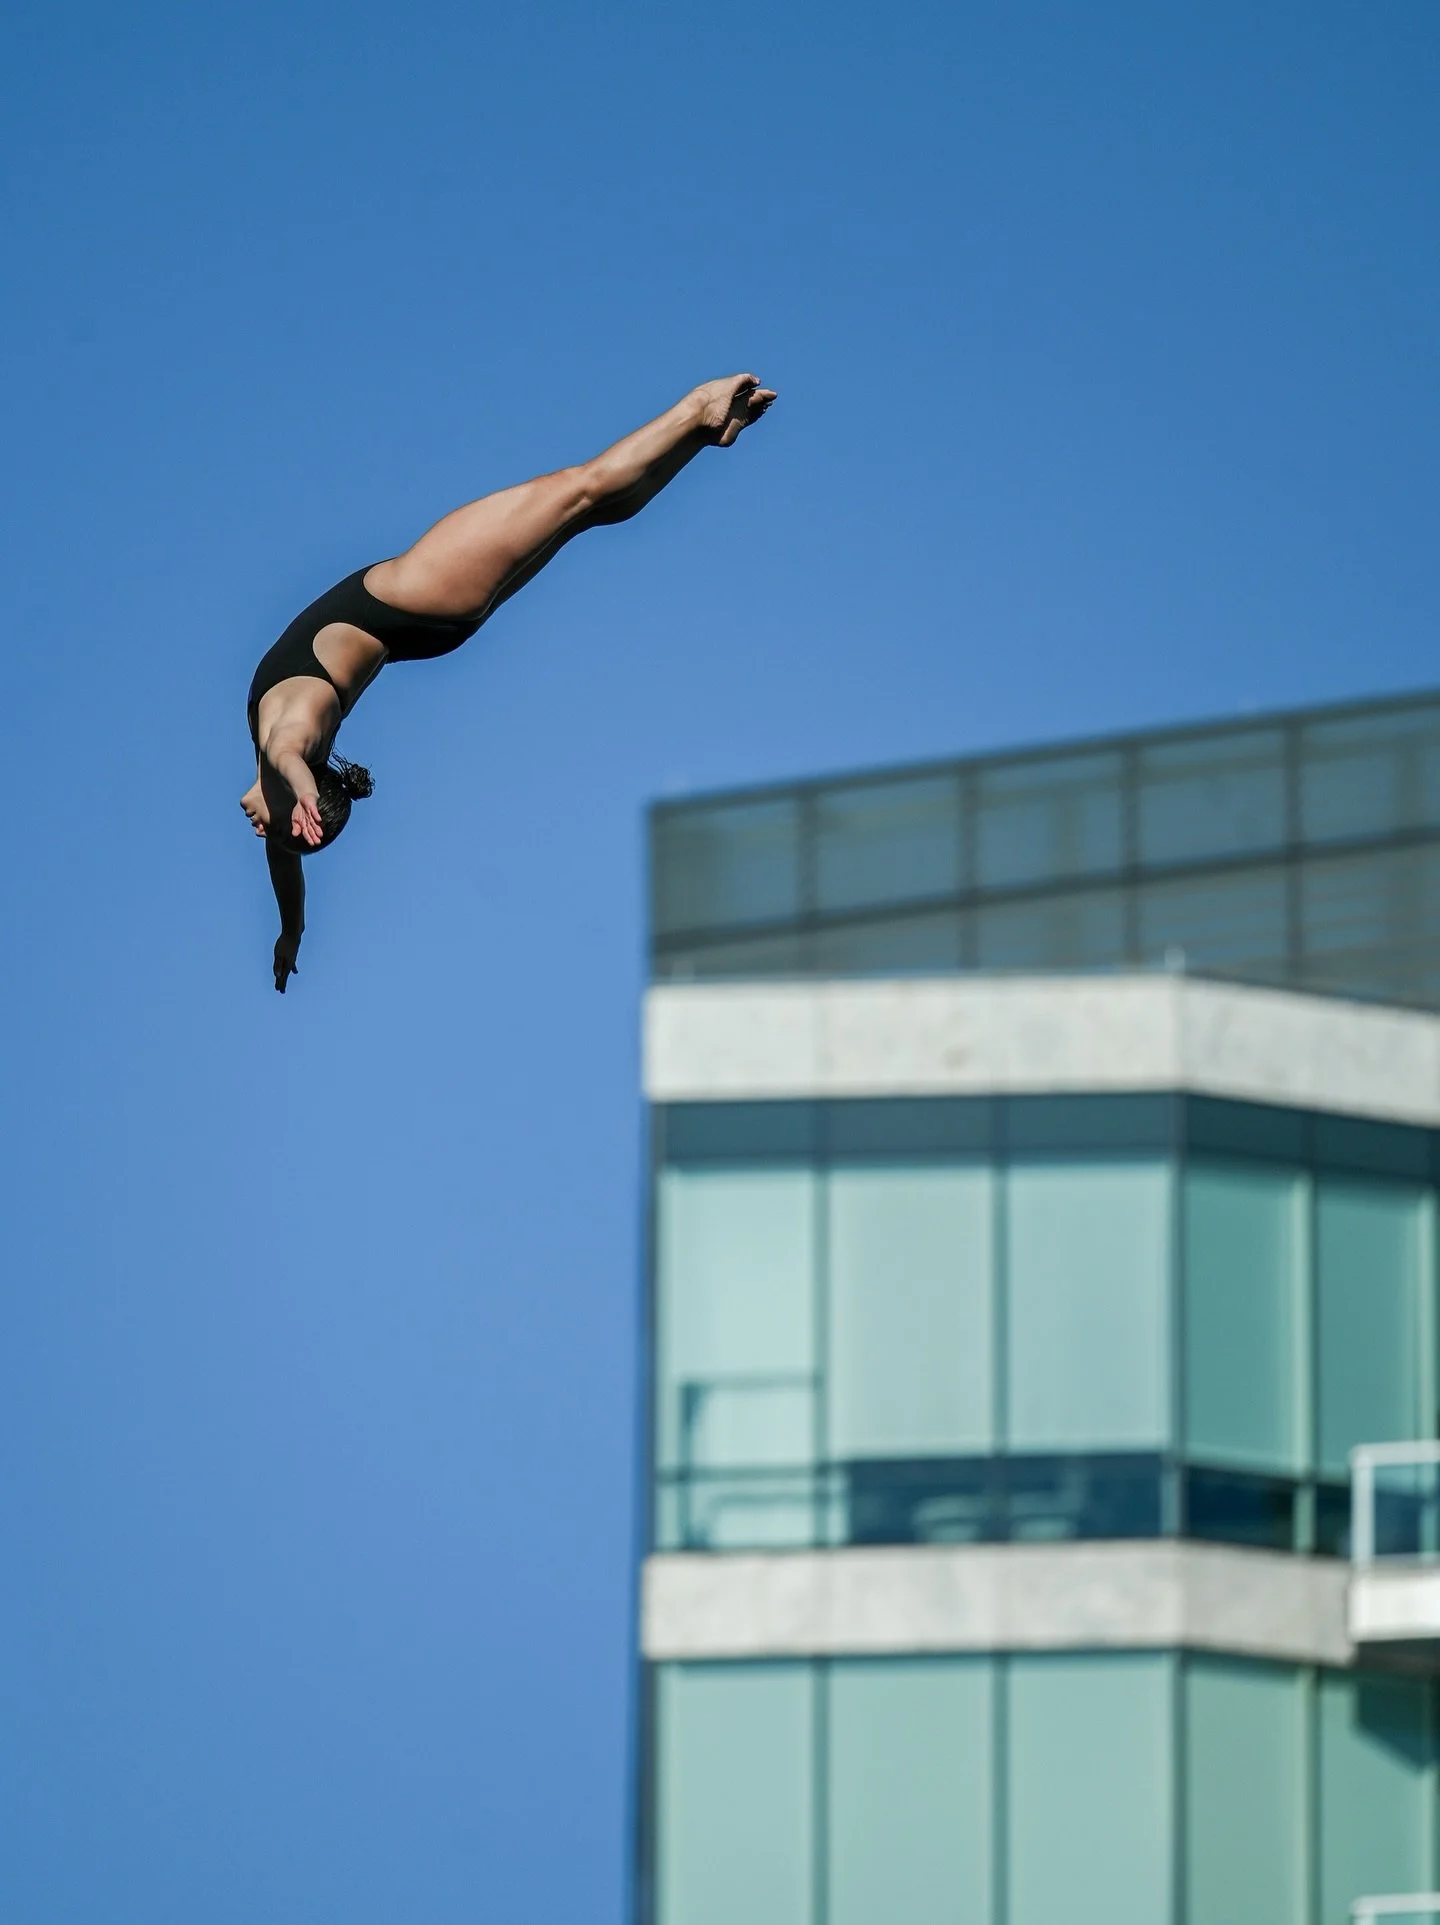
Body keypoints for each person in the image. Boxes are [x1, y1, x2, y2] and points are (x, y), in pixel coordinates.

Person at [242, 372, 776, 992]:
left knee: (585, 512)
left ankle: (704, 432)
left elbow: (283, 855)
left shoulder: (283, 754)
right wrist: (303, 796)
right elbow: (290, 760)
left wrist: (292, 930)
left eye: (279, 833)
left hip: (429, 623)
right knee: (578, 490)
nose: (265, 834)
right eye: (284, 830)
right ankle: (696, 410)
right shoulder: (289, 740)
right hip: (423, 596)